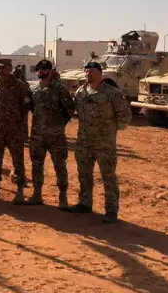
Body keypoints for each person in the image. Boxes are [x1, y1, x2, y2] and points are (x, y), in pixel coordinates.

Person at [70, 60, 132, 224]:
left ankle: (111, 210)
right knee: (84, 173)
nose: (88, 74)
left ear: (100, 73)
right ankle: (85, 203)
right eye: (86, 71)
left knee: (108, 175)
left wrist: (111, 130)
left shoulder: (112, 93)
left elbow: (125, 114)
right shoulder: (81, 92)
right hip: (84, 140)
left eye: (91, 71)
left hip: (104, 142)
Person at [28, 59, 74, 209]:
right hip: (37, 135)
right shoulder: (34, 89)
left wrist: (58, 125)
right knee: (36, 165)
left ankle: (62, 197)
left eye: (43, 69)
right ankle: (37, 194)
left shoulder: (60, 89)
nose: (40, 71)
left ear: (49, 71)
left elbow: (69, 109)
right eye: (38, 69)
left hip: (56, 136)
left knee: (60, 166)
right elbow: (32, 108)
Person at [0, 58, 30, 204]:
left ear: (10, 68)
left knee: (18, 160)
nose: (1, 70)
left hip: (14, 130)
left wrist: (18, 123)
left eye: (3, 67)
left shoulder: (20, 86)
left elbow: (25, 108)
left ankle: (20, 191)